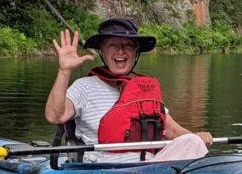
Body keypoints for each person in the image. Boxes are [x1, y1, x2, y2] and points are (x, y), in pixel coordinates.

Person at [44, 17, 212, 162]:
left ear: (135, 52)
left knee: (192, 142)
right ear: (102, 51)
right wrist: (64, 71)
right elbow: (54, 116)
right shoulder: (84, 87)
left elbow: (173, 131)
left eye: (128, 45)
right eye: (112, 45)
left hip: (153, 170)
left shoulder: (144, 90)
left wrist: (197, 138)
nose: (121, 50)